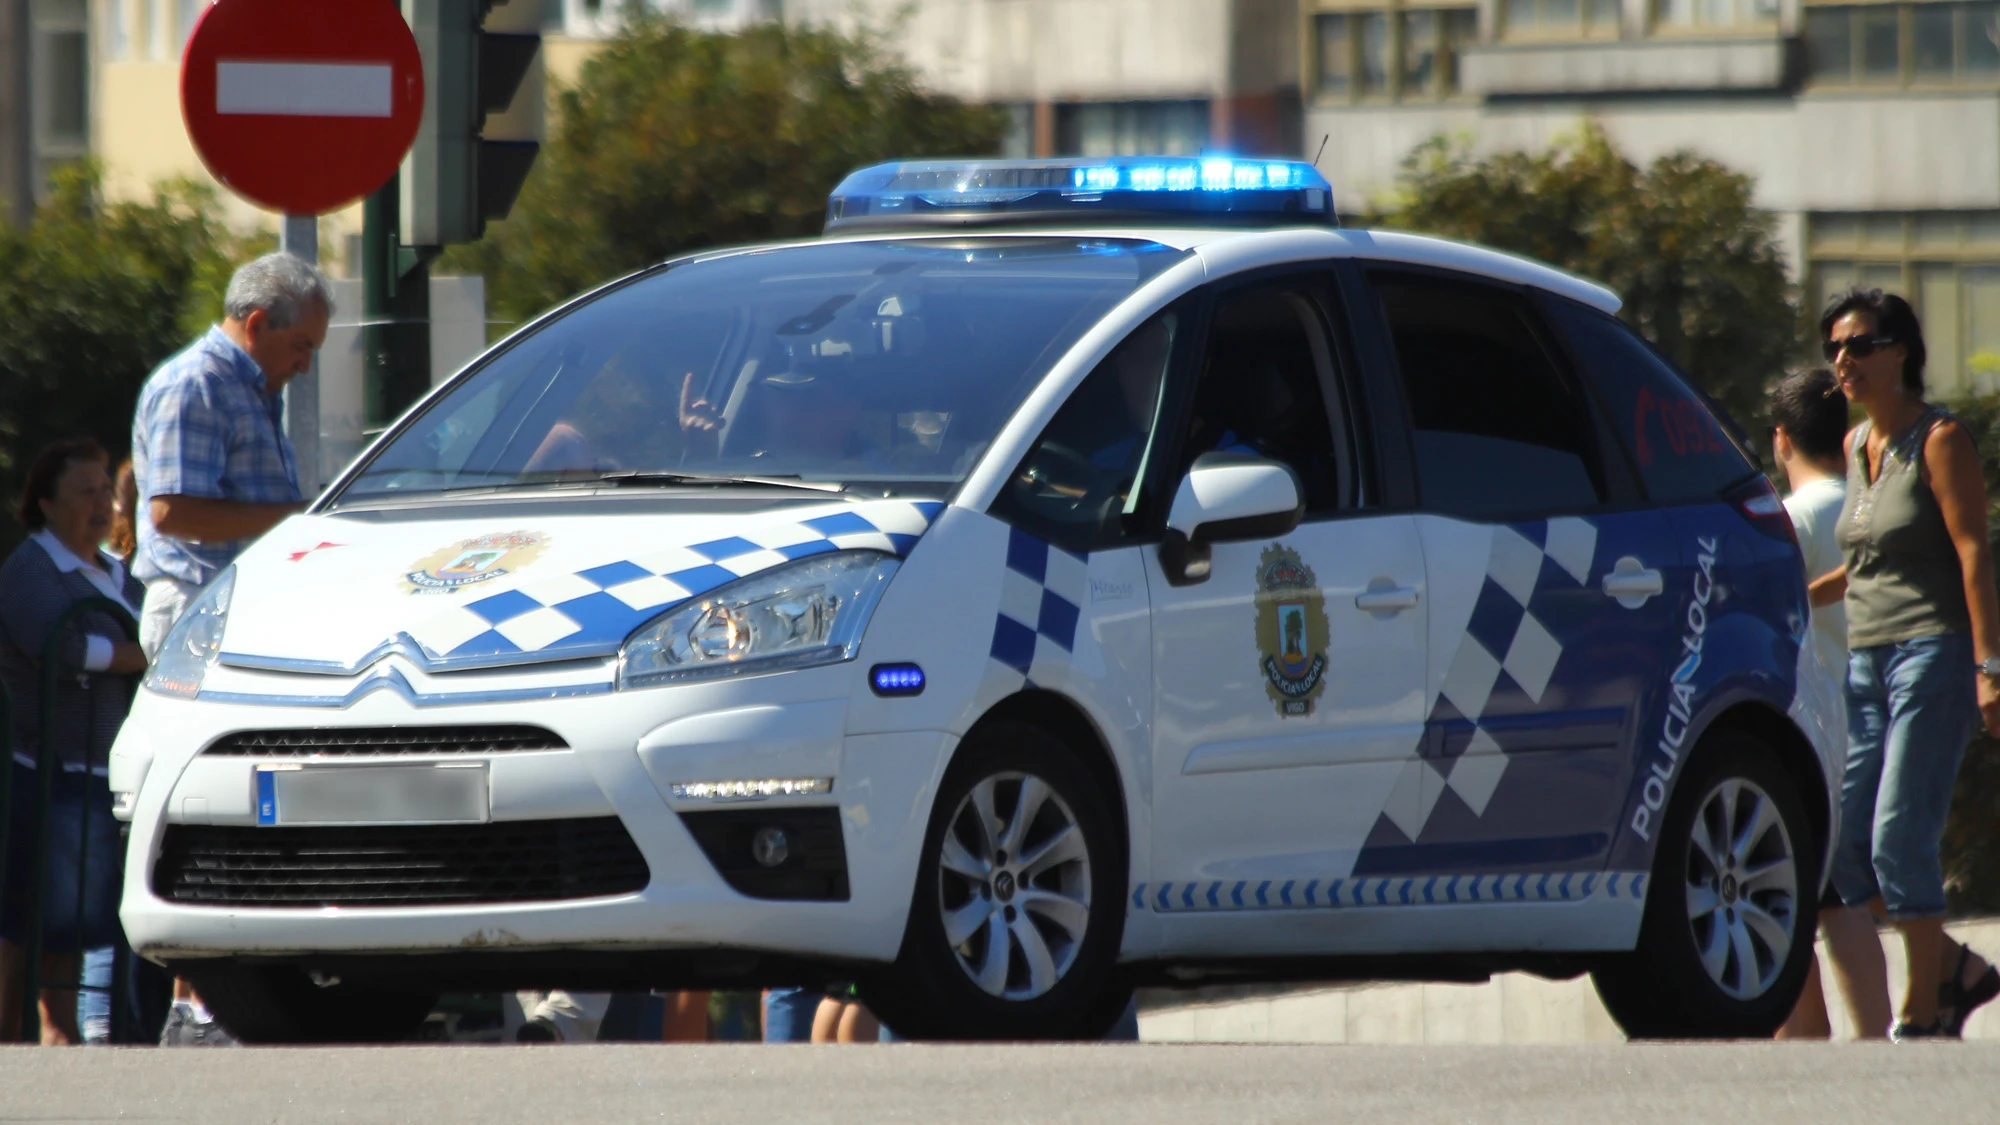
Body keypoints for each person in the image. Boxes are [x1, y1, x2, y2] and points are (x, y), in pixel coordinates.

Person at [131, 251, 330, 1045]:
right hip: (196, 619)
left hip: (232, 617)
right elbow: (173, 510)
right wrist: (289, 520)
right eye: (300, 348)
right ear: (256, 325)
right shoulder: (198, 384)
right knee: (209, 802)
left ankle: (219, 994)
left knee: (243, 803)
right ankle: (197, 1001)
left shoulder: (245, 385)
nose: (304, 365)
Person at [1811, 288, 2000, 1039]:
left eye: (1859, 344)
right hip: (1867, 659)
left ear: (1899, 351)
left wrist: (1990, 665)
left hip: (1933, 652)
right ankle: (1954, 969)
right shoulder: (1859, 446)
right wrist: (1793, 597)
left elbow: (1972, 553)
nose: (1843, 360)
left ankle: (1921, 1009)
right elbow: (1863, 566)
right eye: (1834, 347)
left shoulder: (1939, 439)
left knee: (1899, 832)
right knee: (1848, 849)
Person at [0, 439, 146, 1045]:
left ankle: (56, 1033)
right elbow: (58, 647)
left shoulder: (116, 573)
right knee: (25, 920)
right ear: (46, 503)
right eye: (85, 492)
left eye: (105, 492)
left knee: (73, 922)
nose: (102, 504)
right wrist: (136, 655)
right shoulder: (30, 568)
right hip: (48, 769)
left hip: (105, 772)